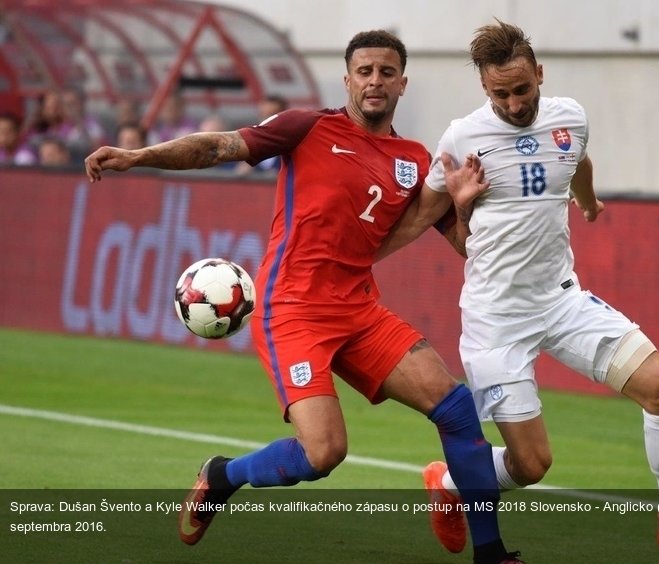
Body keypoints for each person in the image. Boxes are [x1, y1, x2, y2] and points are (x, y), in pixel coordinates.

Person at [84, 29, 521, 564]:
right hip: (291, 307)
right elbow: (218, 146)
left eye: (386, 72)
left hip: (358, 308)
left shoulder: (415, 160)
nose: (375, 81)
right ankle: (222, 476)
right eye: (365, 72)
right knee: (325, 452)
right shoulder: (307, 127)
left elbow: (464, 244)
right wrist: (137, 155)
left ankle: (492, 552)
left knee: (455, 408)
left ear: (403, 83)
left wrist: (466, 203)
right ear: (347, 79)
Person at [377, 20, 659, 563]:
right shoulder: (463, 136)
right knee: (532, 467)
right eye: (500, 93)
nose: (513, 102)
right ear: (484, 88)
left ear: (539, 74)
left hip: (561, 299)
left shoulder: (570, 117)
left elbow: (577, 161)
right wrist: (363, 254)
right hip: (495, 319)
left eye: (522, 89)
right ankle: (450, 486)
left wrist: (588, 203)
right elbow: (417, 220)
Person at [234, 94, 289, 176]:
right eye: (264, 115)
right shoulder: (248, 139)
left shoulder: (289, 143)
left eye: (271, 116)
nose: (267, 122)